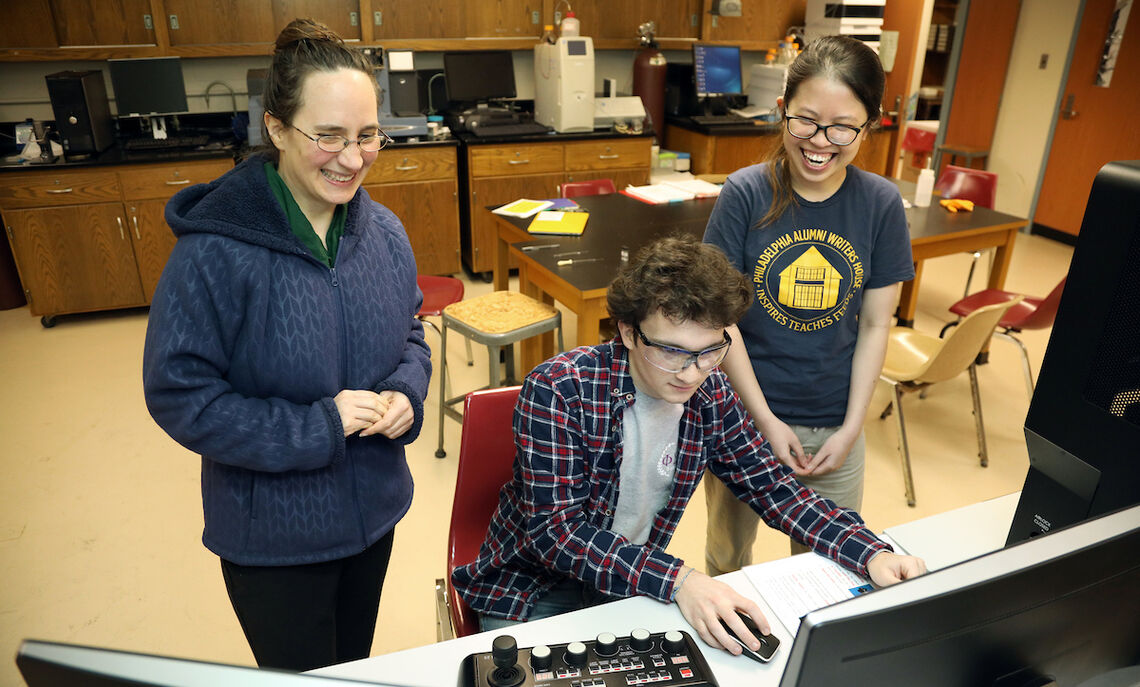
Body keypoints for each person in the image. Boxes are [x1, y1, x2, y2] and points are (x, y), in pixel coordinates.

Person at [451, 235, 924, 656]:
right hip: (534, 584)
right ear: (628, 332)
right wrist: (680, 580)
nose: (691, 373)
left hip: (629, 579)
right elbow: (558, 534)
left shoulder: (711, 392)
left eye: (710, 351)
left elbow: (776, 490)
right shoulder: (560, 388)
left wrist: (870, 552)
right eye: (672, 351)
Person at [142, 18, 431, 672]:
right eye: (327, 135)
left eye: (366, 136)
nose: (352, 158)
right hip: (275, 543)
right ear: (275, 128)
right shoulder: (216, 253)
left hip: (374, 518)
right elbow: (180, 394)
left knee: (351, 666)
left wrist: (406, 393)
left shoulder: (385, 233)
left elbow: (413, 333)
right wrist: (317, 426)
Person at [702, 35, 915, 575]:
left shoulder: (881, 204)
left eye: (844, 126)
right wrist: (764, 420)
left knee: (829, 570)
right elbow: (720, 321)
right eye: (806, 121)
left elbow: (873, 326)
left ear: (870, 125)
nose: (821, 141)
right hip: (742, 421)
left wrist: (849, 429)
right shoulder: (744, 194)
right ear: (782, 112)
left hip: (833, 424)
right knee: (729, 560)